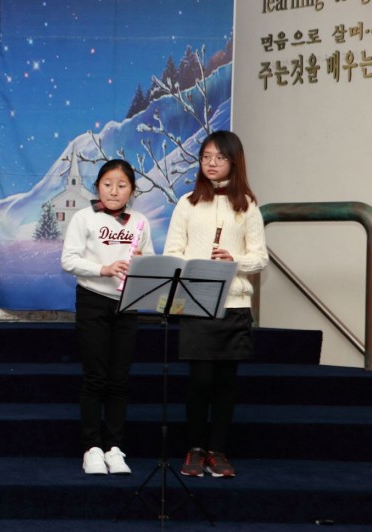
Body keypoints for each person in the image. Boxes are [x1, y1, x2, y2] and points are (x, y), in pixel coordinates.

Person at [163, 130, 268, 478]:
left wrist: (234, 261)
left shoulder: (247, 205)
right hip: (197, 300)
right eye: (206, 157)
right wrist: (196, 269)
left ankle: (218, 450)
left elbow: (260, 258)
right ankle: (194, 449)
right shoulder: (187, 202)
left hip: (234, 305)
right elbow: (172, 252)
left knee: (226, 382)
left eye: (219, 158)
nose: (211, 163)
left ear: (233, 162)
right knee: (200, 380)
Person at [61, 159, 154, 475]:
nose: (114, 191)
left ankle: (114, 447)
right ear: (98, 186)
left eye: (122, 185)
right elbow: (69, 260)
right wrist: (104, 268)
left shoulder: (140, 221)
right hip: (93, 301)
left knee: (120, 378)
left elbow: (150, 259)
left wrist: (141, 262)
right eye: (107, 184)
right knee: (96, 377)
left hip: (127, 304)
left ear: (132, 190)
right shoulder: (83, 218)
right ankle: (92, 448)